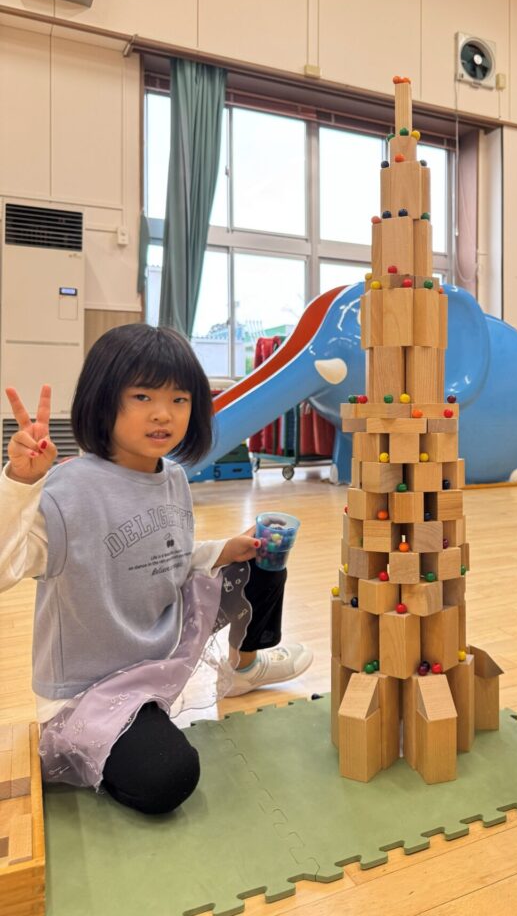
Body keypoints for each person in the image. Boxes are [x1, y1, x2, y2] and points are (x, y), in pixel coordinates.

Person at [0, 323, 312, 815]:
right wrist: (20, 485)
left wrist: (222, 550)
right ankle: (93, 740)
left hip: (162, 650)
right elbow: (5, 568)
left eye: (179, 399)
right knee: (170, 775)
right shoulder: (68, 491)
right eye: (143, 396)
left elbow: (165, 561)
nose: (163, 413)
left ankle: (243, 669)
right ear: (103, 400)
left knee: (260, 558)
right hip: (90, 690)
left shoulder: (173, 479)